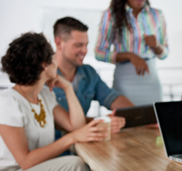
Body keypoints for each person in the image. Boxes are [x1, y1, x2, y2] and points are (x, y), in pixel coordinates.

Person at [0, 32, 107, 170]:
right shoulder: (8, 102)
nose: (56, 61)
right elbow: (25, 162)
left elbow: (76, 126)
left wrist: (68, 88)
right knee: (75, 164)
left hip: (40, 167)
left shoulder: (45, 95)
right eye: (53, 57)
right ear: (45, 64)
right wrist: (72, 138)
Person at [53, 17, 134, 136]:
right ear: (59, 43)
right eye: (78, 45)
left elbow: (112, 97)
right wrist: (102, 122)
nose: (85, 50)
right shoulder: (44, 76)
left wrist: (141, 115)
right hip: (57, 149)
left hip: (83, 146)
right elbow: (57, 121)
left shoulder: (88, 73)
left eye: (86, 45)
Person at [95, 0, 169, 105]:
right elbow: (99, 53)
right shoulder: (111, 14)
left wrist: (157, 46)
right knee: (128, 117)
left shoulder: (157, 14)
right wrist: (130, 56)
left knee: (154, 118)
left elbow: (165, 54)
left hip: (151, 79)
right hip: (125, 80)